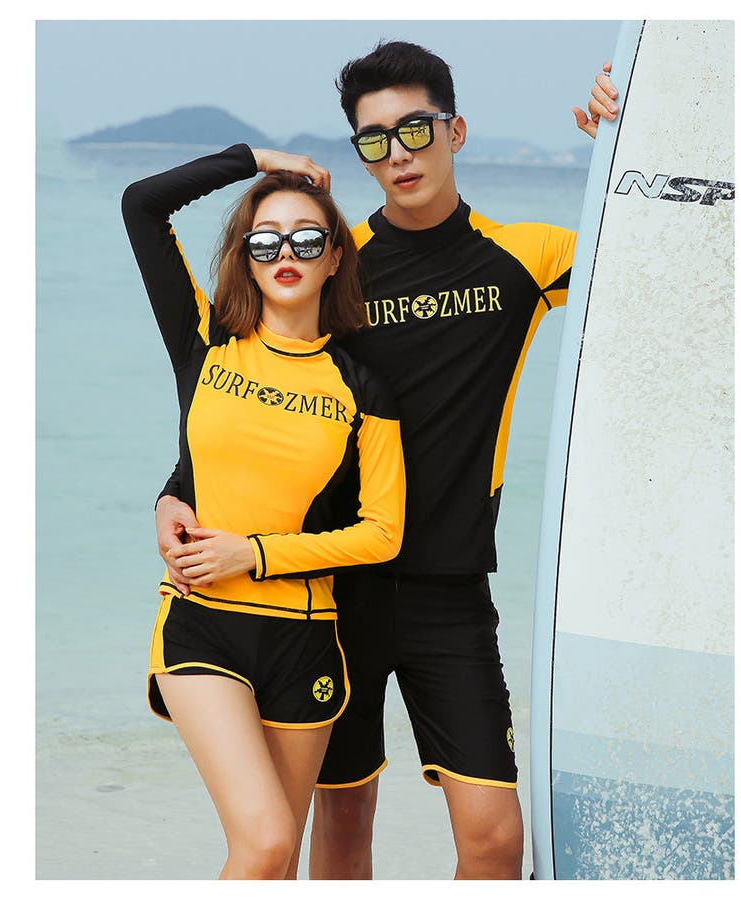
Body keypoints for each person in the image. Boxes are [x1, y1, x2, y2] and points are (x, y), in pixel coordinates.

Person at [155, 42, 619, 880]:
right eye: (375, 139)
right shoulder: (335, 264)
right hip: (335, 594)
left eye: (416, 129)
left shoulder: (529, 257)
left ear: (456, 131)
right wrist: (175, 489)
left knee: (495, 840)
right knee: (342, 824)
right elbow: (243, 398)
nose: (398, 153)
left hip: (451, 590)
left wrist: (621, 144)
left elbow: (657, 253)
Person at [121, 148, 406, 879]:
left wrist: (253, 552)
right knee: (267, 841)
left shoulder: (362, 388)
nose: (286, 254)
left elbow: (382, 534)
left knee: (274, 866)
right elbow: (142, 205)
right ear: (245, 258)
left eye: (307, 239)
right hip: (201, 622)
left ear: (335, 258)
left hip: (305, 640)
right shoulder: (208, 343)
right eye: (265, 240)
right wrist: (258, 160)